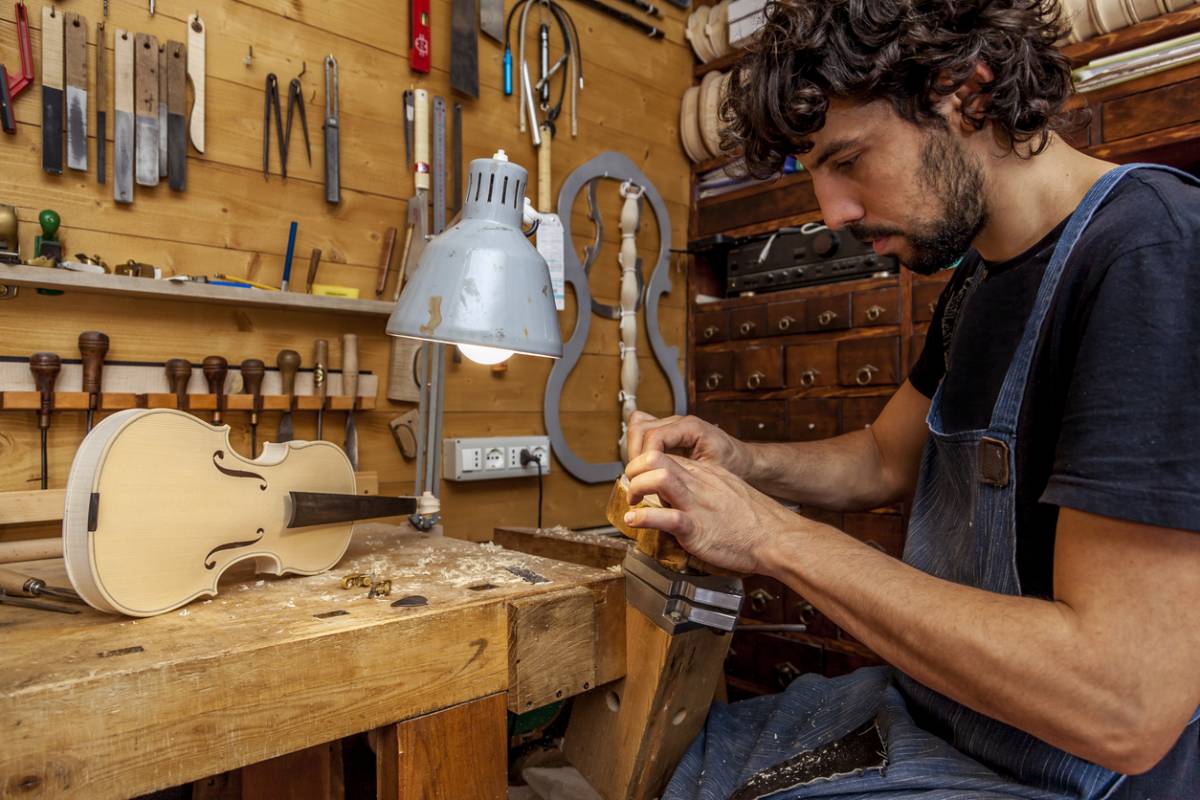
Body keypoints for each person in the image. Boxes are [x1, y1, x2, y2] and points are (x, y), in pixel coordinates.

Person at [624, 1, 1200, 797]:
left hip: (1069, 771)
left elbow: (1125, 704)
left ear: (968, 92)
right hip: (954, 717)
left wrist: (771, 538)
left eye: (850, 161)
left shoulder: (1151, 257)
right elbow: (884, 458)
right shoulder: (978, 278)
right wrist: (741, 460)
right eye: (815, 174)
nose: (832, 214)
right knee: (678, 764)